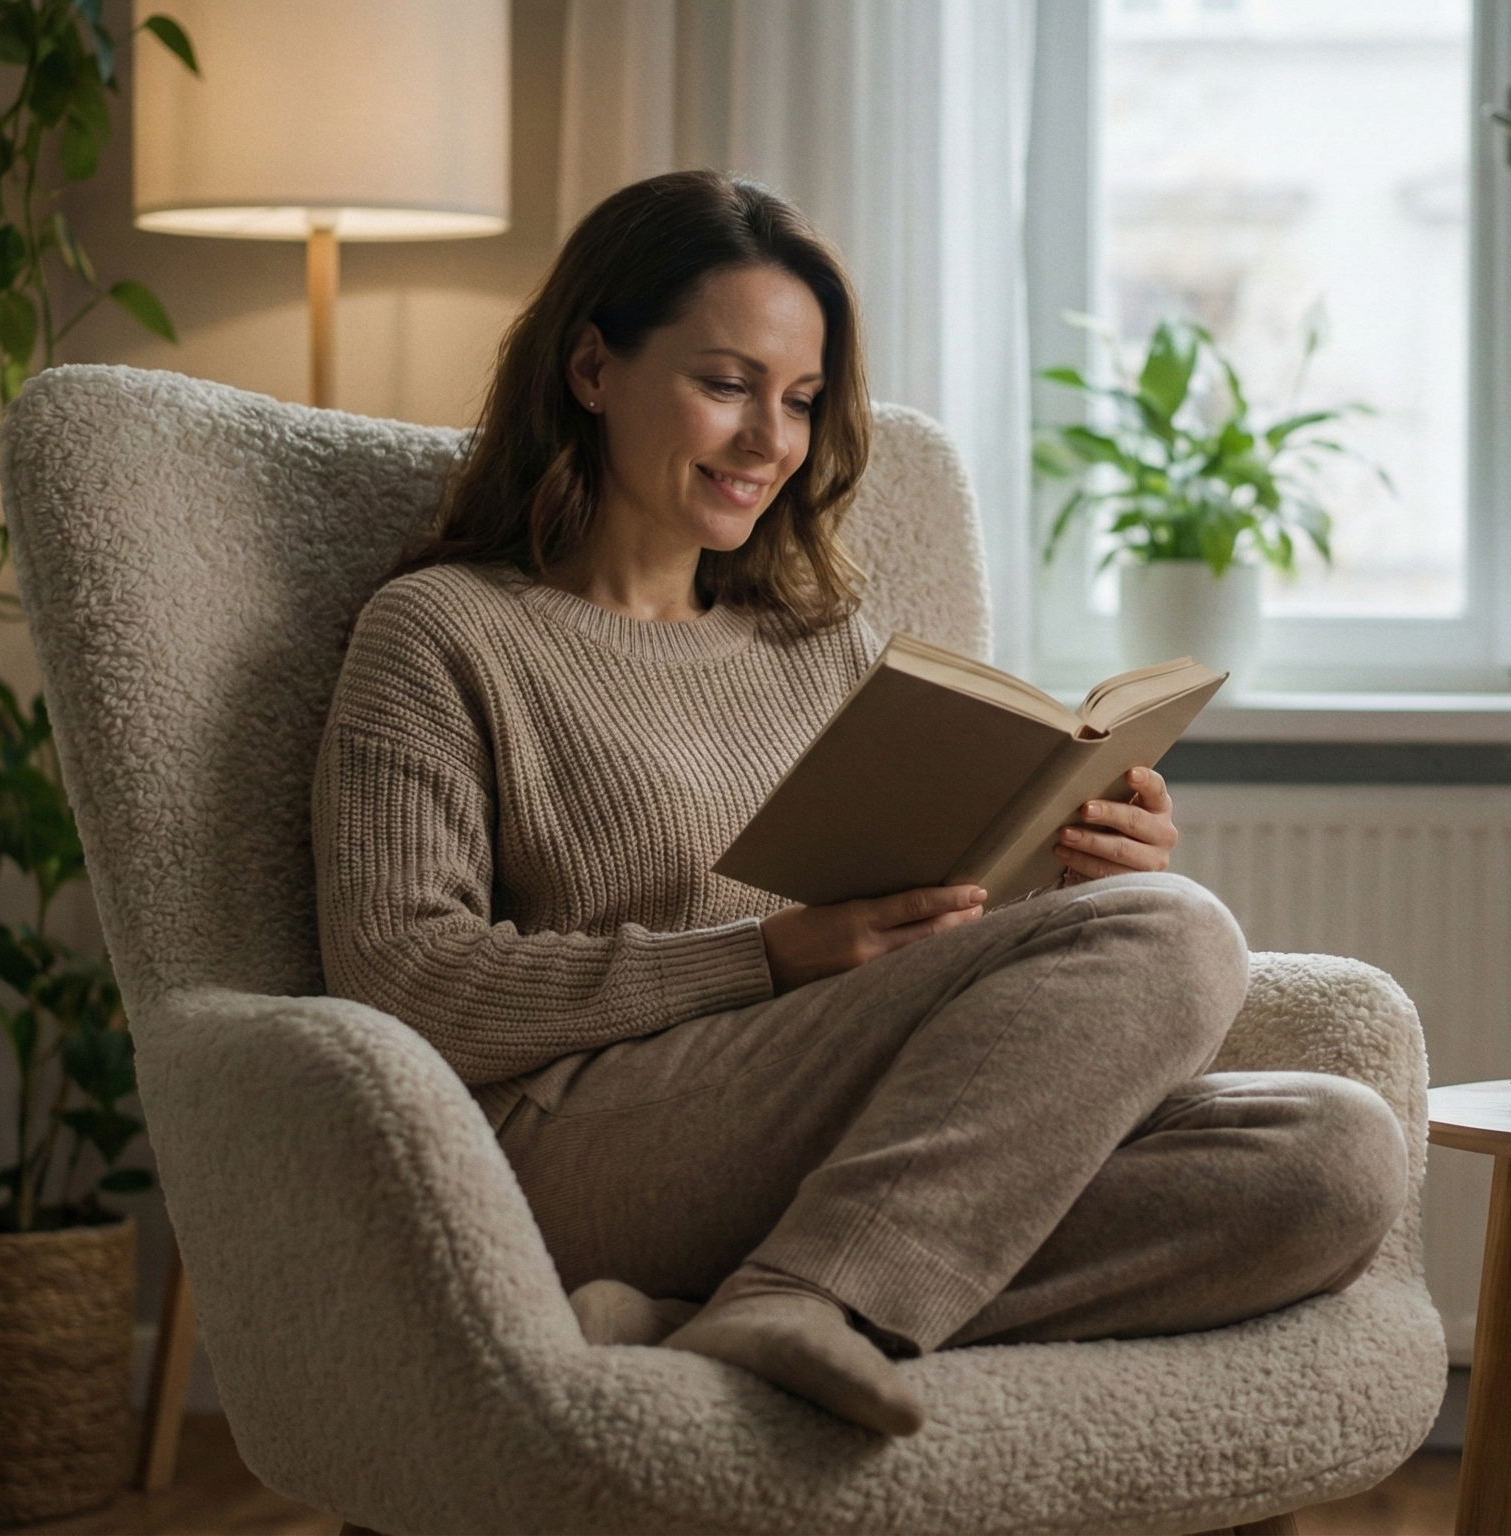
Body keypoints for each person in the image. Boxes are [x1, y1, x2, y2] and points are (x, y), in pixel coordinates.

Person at [311, 170, 1406, 1437]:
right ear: (593, 368)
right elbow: (403, 981)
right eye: (726, 385)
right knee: (1179, 932)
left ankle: (711, 1314)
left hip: (826, 1116)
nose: (768, 443)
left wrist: (1064, 874)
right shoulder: (442, 633)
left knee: (1330, 1154)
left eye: (799, 401)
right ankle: (811, 1299)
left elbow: (911, 936)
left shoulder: (817, 640)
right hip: (582, 1137)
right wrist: (763, 956)